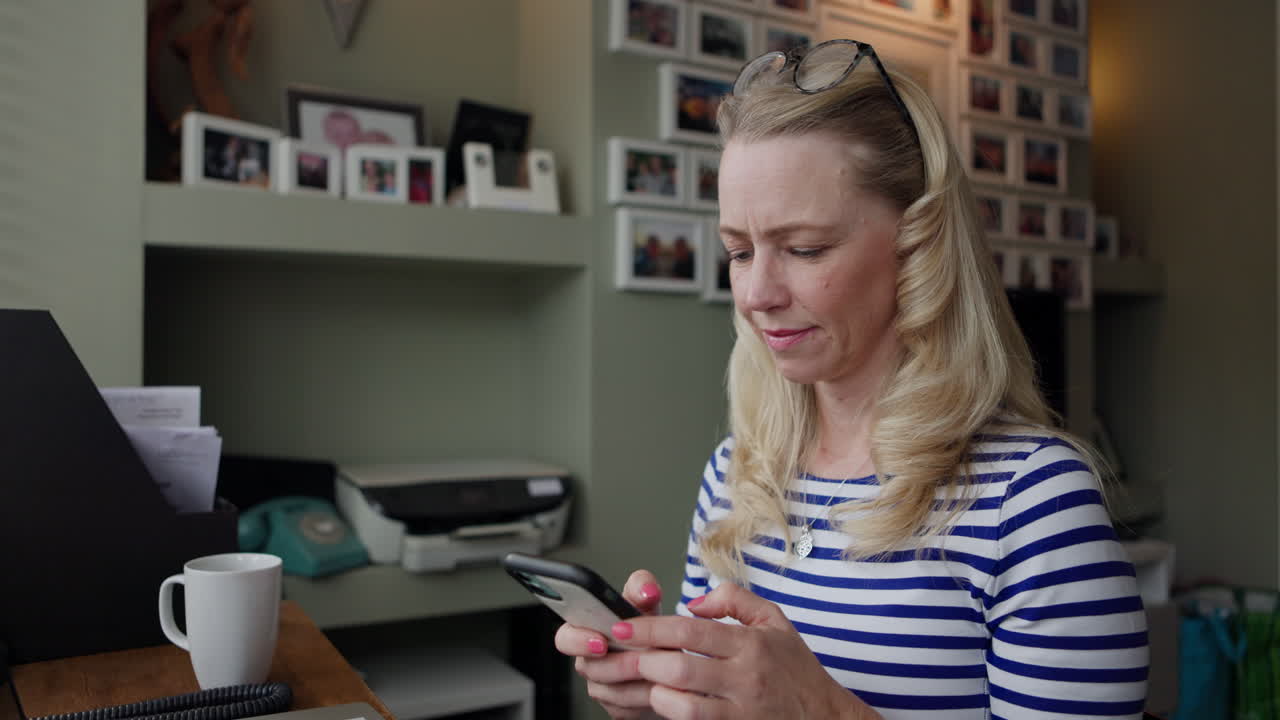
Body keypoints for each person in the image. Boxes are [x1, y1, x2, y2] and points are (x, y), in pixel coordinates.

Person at [557, 39, 1149, 720]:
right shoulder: (735, 475)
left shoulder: (1033, 503)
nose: (756, 293)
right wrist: (658, 699)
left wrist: (824, 711)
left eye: (804, 249)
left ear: (918, 245)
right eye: (739, 251)